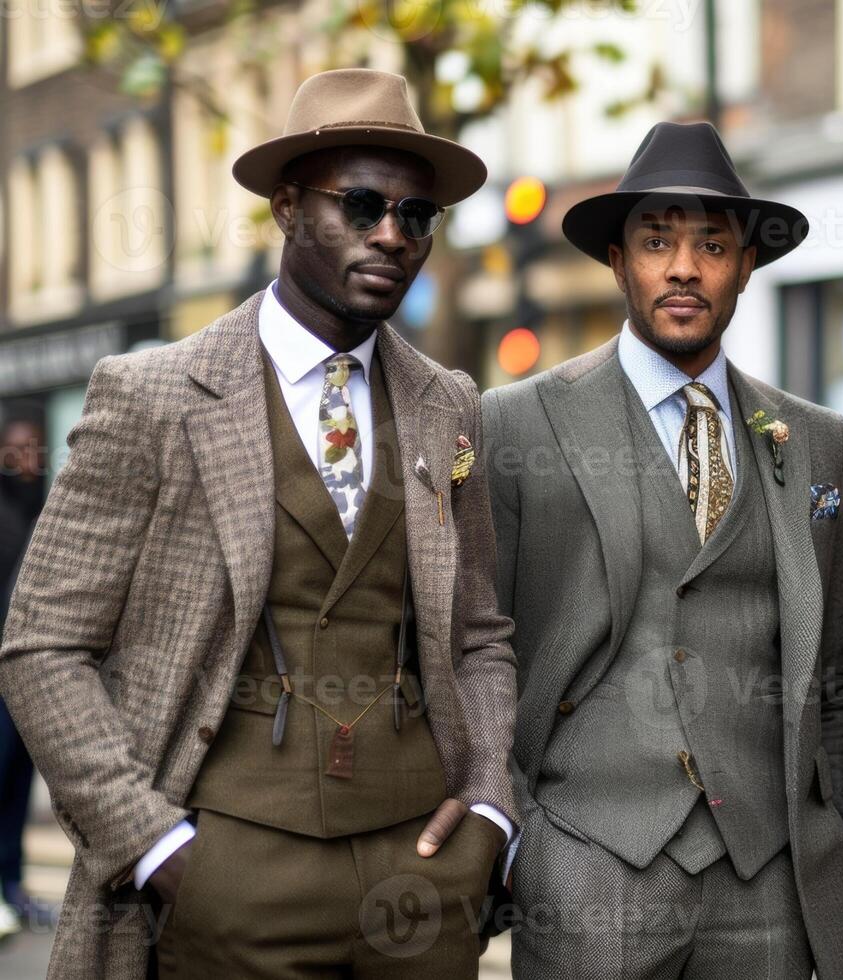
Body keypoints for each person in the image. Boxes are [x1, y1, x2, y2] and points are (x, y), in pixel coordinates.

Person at [0, 68, 516, 979]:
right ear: (286, 207)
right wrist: (154, 847)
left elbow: (478, 634)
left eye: (416, 217)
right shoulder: (153, 396)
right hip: (224, 873)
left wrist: (487, 807)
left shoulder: (449, 405)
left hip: (422, 880)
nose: (391, 236)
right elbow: (43, 644)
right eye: (360, 206)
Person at [483, 121, 843, 980]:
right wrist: (522, 846)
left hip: (768, 880)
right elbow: (474, 650)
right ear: (618, 260)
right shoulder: (515, 424)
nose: (684, 267)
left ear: (745, 266)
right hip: (586, 869)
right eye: (657, 242)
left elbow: (839, 671)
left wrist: (836, 835)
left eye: (712, 245)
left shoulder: (818, 443)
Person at [0, 414, 45, 942]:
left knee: (16, 785)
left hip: (27, 672)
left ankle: (13, 887)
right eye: (17, 450)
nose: (28, 457)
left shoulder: (48, 504)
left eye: (35, 447)